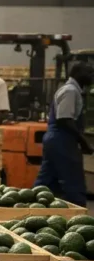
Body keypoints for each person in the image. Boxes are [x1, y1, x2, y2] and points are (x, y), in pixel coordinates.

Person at [35, 62, 94, 206]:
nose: (92, 76)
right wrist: (82, 141)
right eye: (90, 73)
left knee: (47, 181)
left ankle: (33, 206)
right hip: (61, 140)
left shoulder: (73, 90)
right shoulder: (70, 91)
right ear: (78, 74)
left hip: (57, 139)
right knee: (73, 181)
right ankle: (79, 215)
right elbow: (65, 119)